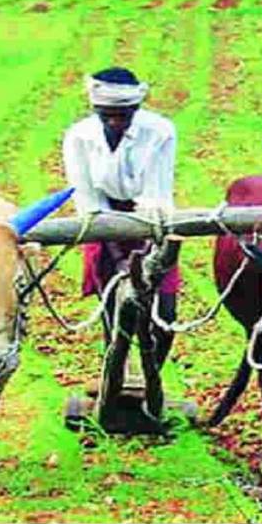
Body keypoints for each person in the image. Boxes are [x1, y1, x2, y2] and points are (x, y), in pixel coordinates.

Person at [62, 66, 181, 369]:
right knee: (112, 308)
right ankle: (114, 371)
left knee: (165, 314)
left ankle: (151, 374)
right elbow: (87, 196)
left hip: (150, 221)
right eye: (107, 115)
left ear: (136, 109)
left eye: (123, 114)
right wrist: (116, 253)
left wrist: (146, 254)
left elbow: (156, 193)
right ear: (96, 109)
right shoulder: (79, 136)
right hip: (102, 222)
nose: (115, 121)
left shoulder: (160, 132)